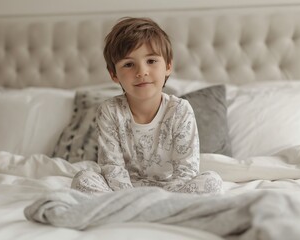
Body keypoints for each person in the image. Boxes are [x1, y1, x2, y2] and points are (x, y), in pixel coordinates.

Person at [71, 17, 223, 194]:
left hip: (172, 190)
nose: (141, 72)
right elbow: (112, 168)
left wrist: (162, 198)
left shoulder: (180, 110)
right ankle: (149, 210)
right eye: (128, 64)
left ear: (168, 66)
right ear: (114, 75)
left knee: (213, 181)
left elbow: (186, 171)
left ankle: (143, 210)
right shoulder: (110, 111)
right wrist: (130, 198)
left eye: (151, 61)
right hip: (122, 190)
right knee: (83, 179)